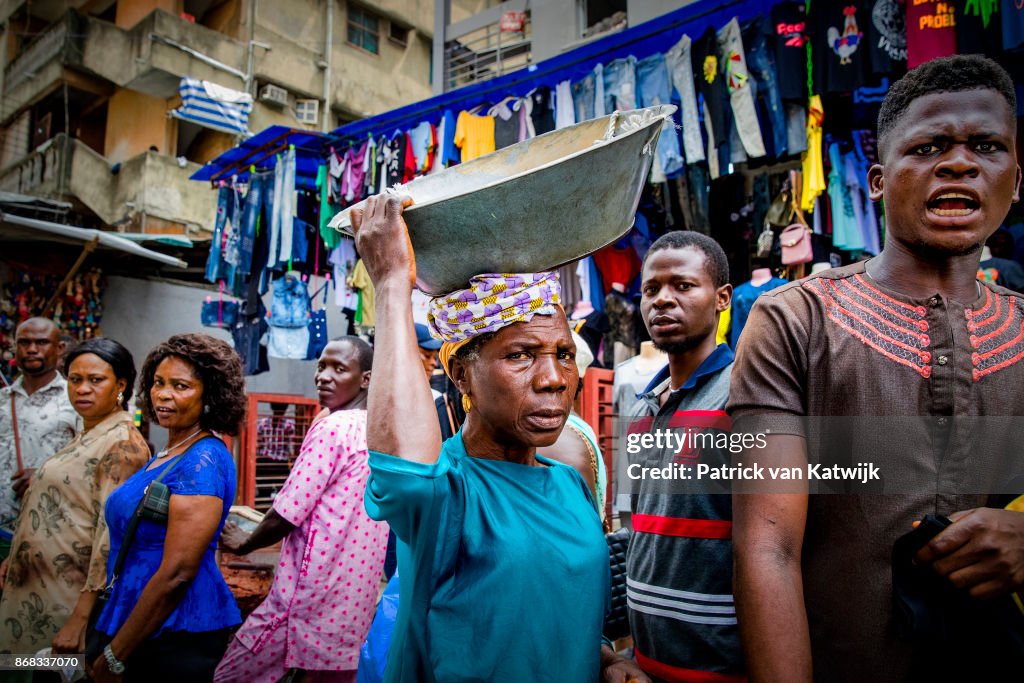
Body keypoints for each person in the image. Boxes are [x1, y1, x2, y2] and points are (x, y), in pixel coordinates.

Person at [728, 55, 1024, 682]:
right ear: (878, 181)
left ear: (1016, 179)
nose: (959, 163)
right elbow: (767, 548)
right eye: (929, 146)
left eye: (986, 145)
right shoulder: (795, 320)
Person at [350, 194, 633, 682]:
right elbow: (404, 469)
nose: (554, 378)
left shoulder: (572, 486)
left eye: (564, 354)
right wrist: (393, 284)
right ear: (460, 375)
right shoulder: (448, 492)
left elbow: (559, 611)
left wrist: (605, 660)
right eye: (521, 355)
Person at [603, 231, 741, 682]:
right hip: (646, 665)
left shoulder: (742, 397)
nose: (663, 300)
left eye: (682, 286)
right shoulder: (643, 406)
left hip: (723, 667)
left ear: (722, 298)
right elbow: (641, 531)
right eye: (651, 289)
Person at [215, 336, 388, 683]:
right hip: (352, 597)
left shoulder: (332, 428)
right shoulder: (378, 430)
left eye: (339, 368)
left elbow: (288, 511)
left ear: (365, 379)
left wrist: (245, 542)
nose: (324, 376)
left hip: (306, 594)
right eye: (322, 366)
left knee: (230, 676)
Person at [87, 333, 246, 682]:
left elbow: (177, 573)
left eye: (180, 386)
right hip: (137, 616)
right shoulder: (170, 452)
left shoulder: (202, 460)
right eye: (159, 382)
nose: (163, 394)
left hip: (173, 630)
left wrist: (115, 656)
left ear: (210, 395)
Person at [0, 339, 149, 666]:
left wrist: (80, 618)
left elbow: (110, 535)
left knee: (52, 671)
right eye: (75, 379)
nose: (83, 389)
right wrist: (17, 556)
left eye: (96, 380)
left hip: (66, 604)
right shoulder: (89, 433)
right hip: (38, 590)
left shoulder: (122, 444)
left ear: (120, 385)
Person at [0, 318, 78, 529]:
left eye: (42, 342)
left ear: (60, 348)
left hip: (46, 530)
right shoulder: (3, 399)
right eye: (24, 343)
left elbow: (92, 465)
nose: (32, 349)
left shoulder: (75, 401)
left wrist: (45, 475)